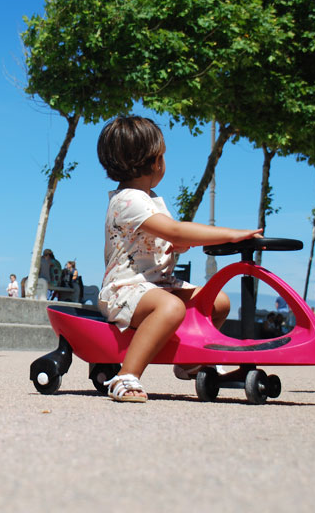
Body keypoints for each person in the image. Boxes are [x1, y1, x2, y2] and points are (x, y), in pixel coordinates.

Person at [96, 116, 262, 402]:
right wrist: (231, 234)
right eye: (162, 156)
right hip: (126, 289)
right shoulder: (128, 199)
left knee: (218, 301)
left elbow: (167, 236)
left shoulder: (149, 198)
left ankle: (188, 362)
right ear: (153, 162)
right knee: (171, 307)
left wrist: (176, 245)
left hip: (158, 284)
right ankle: (126, 376)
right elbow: (175, 229)